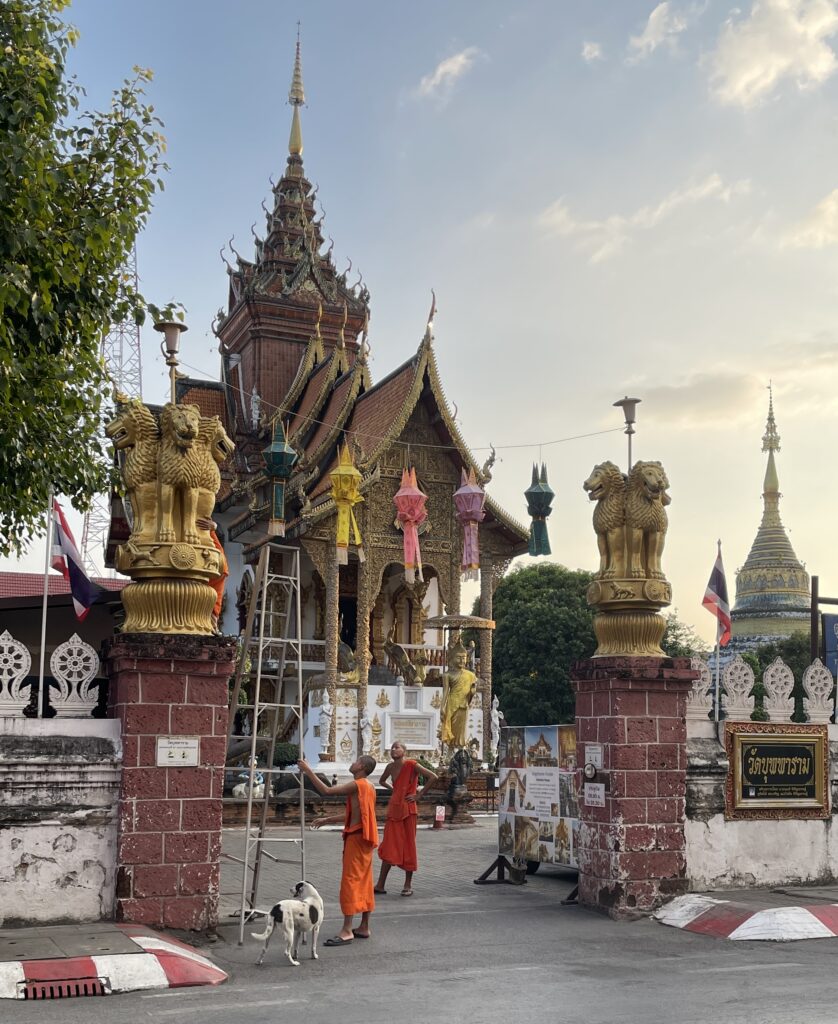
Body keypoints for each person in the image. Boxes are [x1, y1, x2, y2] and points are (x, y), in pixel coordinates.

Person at [297, 754, 378, 944]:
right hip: (364, 840)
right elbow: (355, 814)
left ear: (362, 767)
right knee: (365, 881)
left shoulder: (358, 784)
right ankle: (364, 926)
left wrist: (308, 770)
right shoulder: (370, 787)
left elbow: (326, 790)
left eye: (356, 761)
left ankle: (347, 929)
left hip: (357, 839)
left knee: (350, 881)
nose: (352, 763)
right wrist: (327, 820)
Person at [375, 742, 439, 897]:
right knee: (389, 845)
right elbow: (381, 781)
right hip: (394, 809)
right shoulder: (390, 767)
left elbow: (433, 777)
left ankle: (407, 884)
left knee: (409, 845)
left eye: (397, 747)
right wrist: (394, 790)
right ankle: (380, 884)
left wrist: (419, 795)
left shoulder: (412, 764)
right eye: (392, 748)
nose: (394, 750)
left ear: (404, 751)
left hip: (408, 810)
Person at [438, 640, 477, 751]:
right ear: (452, 658)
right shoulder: (447, 675)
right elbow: (445, 692)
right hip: (451, 704)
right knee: (450, 727)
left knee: (461, 730)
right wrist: (442, 707)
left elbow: (470, 693)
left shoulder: (470, 675)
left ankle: (460, 749)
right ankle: (450, 749)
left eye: (464, 657)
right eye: (458, 657)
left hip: (463, 705)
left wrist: (472, 692)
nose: (461, 660)